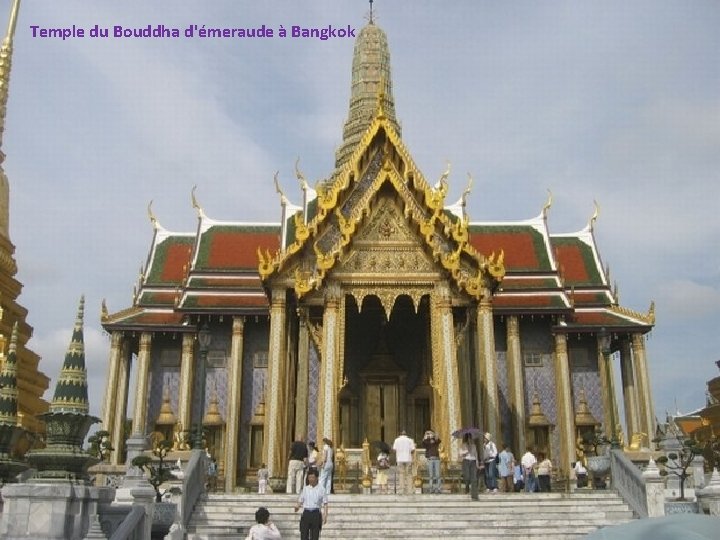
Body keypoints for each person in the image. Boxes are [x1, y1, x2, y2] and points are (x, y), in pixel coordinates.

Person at [294, 468, 328, 540]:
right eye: (309, 477)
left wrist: (325, 515)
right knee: (304, 536)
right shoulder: (305, 489)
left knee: (315, 536)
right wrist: (297, 506)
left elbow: (325, 503)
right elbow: (301, 500)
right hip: (306, 514)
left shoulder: (321, 489)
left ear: (316, 478)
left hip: (316, 514)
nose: (311, 479)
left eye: (312, 477)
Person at [392, 430, 416, 495]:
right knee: (409, 474)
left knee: (401, 474)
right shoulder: (410, 440)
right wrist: (408, 452)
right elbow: (413, 450)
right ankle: (409, 490)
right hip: (408, 458)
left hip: (400, 459)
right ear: (406, 434)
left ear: (400, 434)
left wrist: (399, 451)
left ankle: (401, 490)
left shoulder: (397, 440)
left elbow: (394, 449)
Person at [458, 433, 479, 500]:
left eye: (471, 438)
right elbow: (460, 454)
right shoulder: (462, 446)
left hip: (473, 461)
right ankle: (467, 486)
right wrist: (466, 452)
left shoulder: (473, 446)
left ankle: (474, 495)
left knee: (474, 478)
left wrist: (477, 462)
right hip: (466, 461)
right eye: (468, 438)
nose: (470, 440)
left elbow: (476, 454)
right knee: (467, 477)